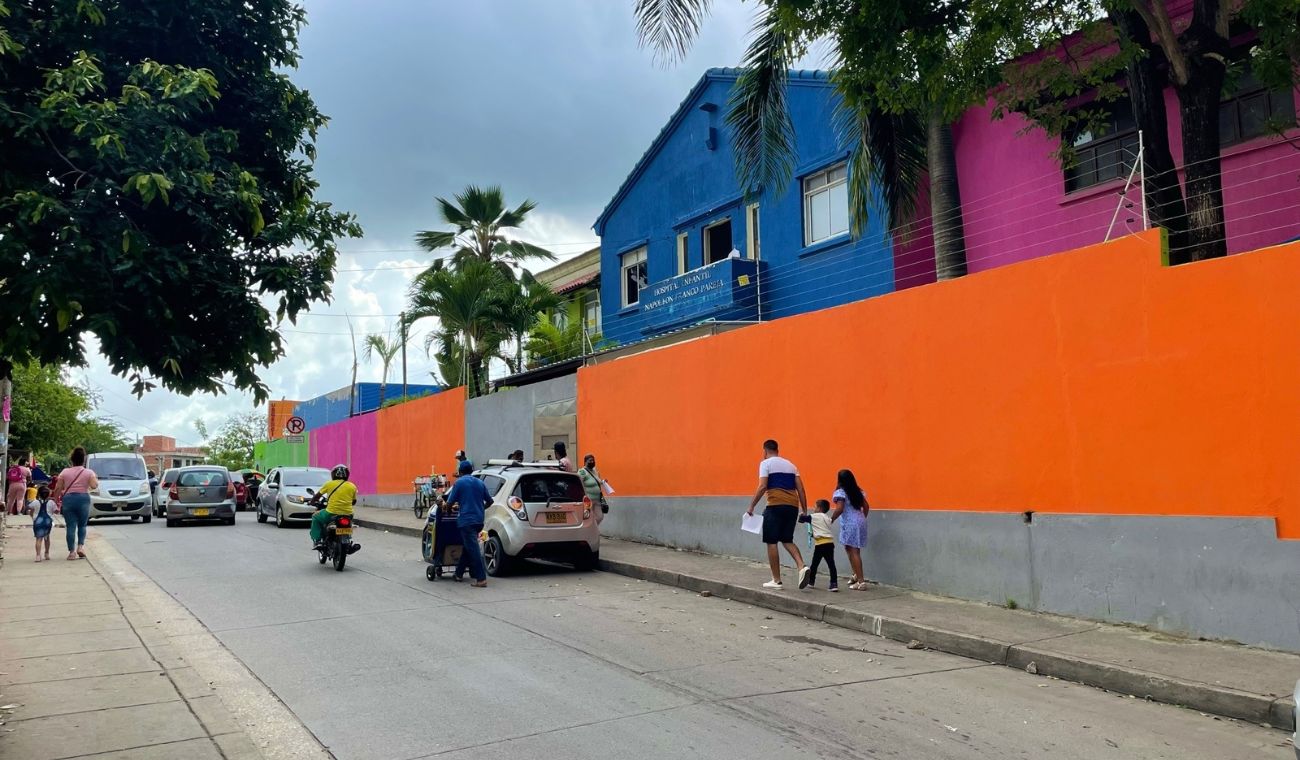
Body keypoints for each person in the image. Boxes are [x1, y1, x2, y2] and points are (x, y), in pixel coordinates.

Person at [746, 439, 809, 590]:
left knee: (771, 541)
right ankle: (802, 566)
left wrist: (752, 506)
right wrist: (804, 510)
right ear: (777, 450)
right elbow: (801, 489)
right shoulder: (791, 465)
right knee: (787, 539)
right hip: (792, 507)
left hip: (775, 505)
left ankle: (776, 580)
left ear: (764, 451)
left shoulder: (765, 464)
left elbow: (762, 486)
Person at [444, 459, 489, 587]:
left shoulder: (459, 483)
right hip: (479, 521)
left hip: (467, 521)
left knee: (473, 549)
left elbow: (450, 502)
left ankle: (481, 579)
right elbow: (490, 501)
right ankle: (458, 574)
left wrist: (448, 511)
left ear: (460, 472)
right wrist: (481, 509)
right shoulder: (480, 482)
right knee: (468, 547)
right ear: (472, 470)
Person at [51, 447, 97, 561]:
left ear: (72, 459)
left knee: (70, 526)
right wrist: (95, 478)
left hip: (68, 500)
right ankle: (80, 547)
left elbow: (58, 488)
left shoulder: (64, 472)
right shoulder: (89, 472)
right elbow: (94, 486)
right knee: (82, 525)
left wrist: (55, 501)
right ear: (83, 460)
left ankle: (72, 552)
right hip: (83, 499)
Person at [831, 468, 870, 590]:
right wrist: (861, 518)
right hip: (860, 521)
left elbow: (840, 509)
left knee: (854, 551)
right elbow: (866, 506)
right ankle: (855, 574)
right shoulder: (858, 492)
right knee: (849, 548)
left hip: (849, 523)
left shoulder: (841, 493)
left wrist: (831, 519)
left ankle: (861, 581)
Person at [310, 464, 360, 554]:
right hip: (348, 514)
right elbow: (354, 501)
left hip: (331, 513)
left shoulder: (329, 484)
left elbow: (317, 496)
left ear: (333, 474)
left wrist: (312, 502)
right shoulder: (352, 486)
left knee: (315, 517)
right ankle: (348, 542)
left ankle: (318, 540)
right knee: (349, 525)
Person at [799, 499, 838, 591]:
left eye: (815, 507)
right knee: (831, 564)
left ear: (819, 508)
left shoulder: (814, 516)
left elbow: (802, 520)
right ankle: (834, 584)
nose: (813, 509)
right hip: (829, 543)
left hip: (820, 544)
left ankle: (811, 582)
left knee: (814, 564)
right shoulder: (828, 518)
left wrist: (801, 515)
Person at [577, 454, 609, 524]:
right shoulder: (582, 471)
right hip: (588, 500)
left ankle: (592, 527)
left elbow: (597, 481)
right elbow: (578, 483)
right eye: (590, 460)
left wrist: (603, 481)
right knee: (587, 517)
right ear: (585, 462)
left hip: (597, 499)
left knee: (599, 516)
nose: (592, 462)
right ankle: (588, 529)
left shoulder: (595, 471)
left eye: (593, 460)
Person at [32, 485, 54, 562]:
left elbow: (30, 509)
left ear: (38, 494)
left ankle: (38, 555)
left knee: (39, 538)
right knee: (47, 538)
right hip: (47, 522)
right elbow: (56, 510)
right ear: (48, 494)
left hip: (37, 522)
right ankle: (47, 553)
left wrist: (33, 517)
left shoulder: (35, 502)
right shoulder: (51, 502)